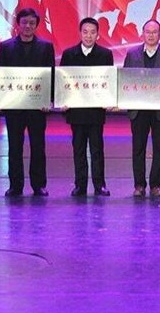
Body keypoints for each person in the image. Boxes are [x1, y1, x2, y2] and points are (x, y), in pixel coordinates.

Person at [0, 7, 56, 197]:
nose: (28, 26)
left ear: (36, 25)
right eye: (24, 22)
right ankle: (15, 185)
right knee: (14, 147)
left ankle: (39, 185)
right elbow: (0, 76)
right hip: (14, 107)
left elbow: (52, 75)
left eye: (31, 23)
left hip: (38, 106)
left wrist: (50, 100)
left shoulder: (46, 47)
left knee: (38, 147)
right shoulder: (6, 47)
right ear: (18, 25)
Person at [59, 17, 115, 197]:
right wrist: (61, 101)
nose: (88, 36)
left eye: (92, 32)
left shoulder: (105, 54)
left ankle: (100, 185)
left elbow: (109, 81)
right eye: (85, 32)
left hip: (96, 110)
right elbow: (62, 82)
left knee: (97, 149)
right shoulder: (69, 54)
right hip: (76, 111)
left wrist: (110, 100)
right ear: (80, 33)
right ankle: (80, 185)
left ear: (98, 34)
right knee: (79, 149)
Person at [123, 18, 160, 197]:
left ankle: (156, 185)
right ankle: (139, 185)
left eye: (155, 32)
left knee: (159, 148)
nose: (151, 35)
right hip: (138, 109)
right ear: (142, 33)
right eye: (148, 32)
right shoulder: (132, 54)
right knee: (138, 148)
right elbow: (125, 80)